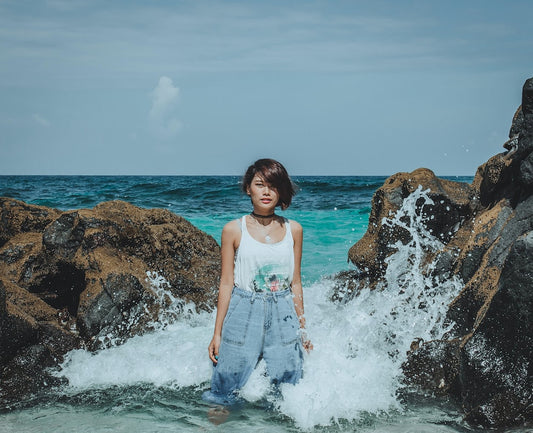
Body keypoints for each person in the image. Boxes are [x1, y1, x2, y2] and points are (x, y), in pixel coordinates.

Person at [202, 158, 312, 407]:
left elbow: (295, 282)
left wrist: (303, 329)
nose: (266, 192)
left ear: (281, 191)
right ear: (248, 189)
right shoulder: (233, 229)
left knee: (288, 387)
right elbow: (226, 283)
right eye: (260, 184)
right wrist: (217, 333)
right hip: (243, 309)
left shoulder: (294, 229)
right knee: (225, 386)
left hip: (283, 312)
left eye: (273, 186)